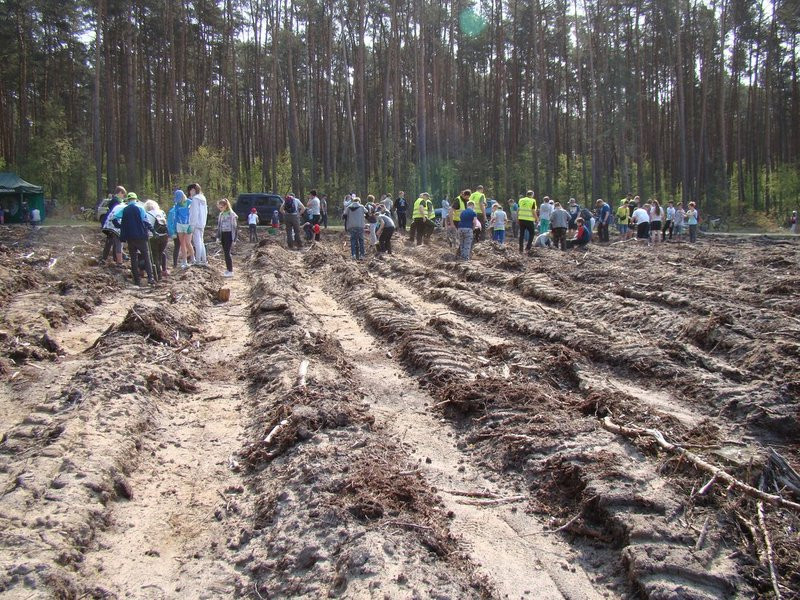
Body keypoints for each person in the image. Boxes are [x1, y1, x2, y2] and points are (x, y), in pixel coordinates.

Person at [119, 192, 155, 286]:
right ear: (136, 199)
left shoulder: (125, 210)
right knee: (146, 257)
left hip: (130, 238)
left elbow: (119, 220)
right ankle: (150, 278)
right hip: (141, 236)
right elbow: (146, 221)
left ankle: (136, 280)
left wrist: (121, 232)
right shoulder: (140, 208)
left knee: (133, 259)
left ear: (128, 200)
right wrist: (152, 230)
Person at [144, 199, 169, 281]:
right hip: (164, 236)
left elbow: (147, 226)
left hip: (153, 237)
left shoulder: (147, 214)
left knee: (155, 256)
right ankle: (164, 269)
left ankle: (158, 274)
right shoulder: (161, 212)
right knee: (161, 253)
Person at [187, 183, 208, 266]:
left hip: (196, 223)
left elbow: (194, 213)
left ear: (193, 190)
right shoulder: (203, 198)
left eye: (190, 191)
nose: (190, 193)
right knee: (201, 241)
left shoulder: (195, 199)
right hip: (202, 223)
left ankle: (198, 260)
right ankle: (204, 260)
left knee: (197, 242)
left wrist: (192, 225)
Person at [100, 192, 123, 265]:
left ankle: (105, 258)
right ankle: (118, 261)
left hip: (109, 225)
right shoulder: (117, 203)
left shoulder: (117, 203)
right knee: (117, 243)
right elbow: (114, 218)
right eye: (123, 194)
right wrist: (120, 226)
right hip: (113, 226)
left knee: (110, 242)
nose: (123, 196)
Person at [217, 198, 238, 277]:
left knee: (227, 252)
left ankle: (230, 270)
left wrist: (234, 239)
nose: (220, 209)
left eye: (221, 207)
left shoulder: (231, 214)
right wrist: (218, 237)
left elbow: (235, 227)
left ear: (226, 206)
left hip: (229, 234)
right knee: (225, 253)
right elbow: (219, 226)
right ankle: (228, 269)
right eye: (219, 207)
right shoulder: (221, 214)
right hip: (223, 234)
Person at [173, 189, 194, 268]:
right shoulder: (177, 205)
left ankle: (193, 258)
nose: (179, 201)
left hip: (188, 224)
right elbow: (175, 216)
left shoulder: (189, 202)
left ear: (182, 197)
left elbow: (193, 214)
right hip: (179, 225)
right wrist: (175, 227)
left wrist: (191, 225)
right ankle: (184, 261)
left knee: (188, 242)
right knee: (182, 243)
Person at [166, 199, 179, 269]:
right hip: (176, 231)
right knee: (177, 246)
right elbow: (169, 223)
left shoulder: (173, 211)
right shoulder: (172, 211)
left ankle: (177, 263)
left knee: (179, 246)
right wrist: (172, 233)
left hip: (181, 231)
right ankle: (175, 263)